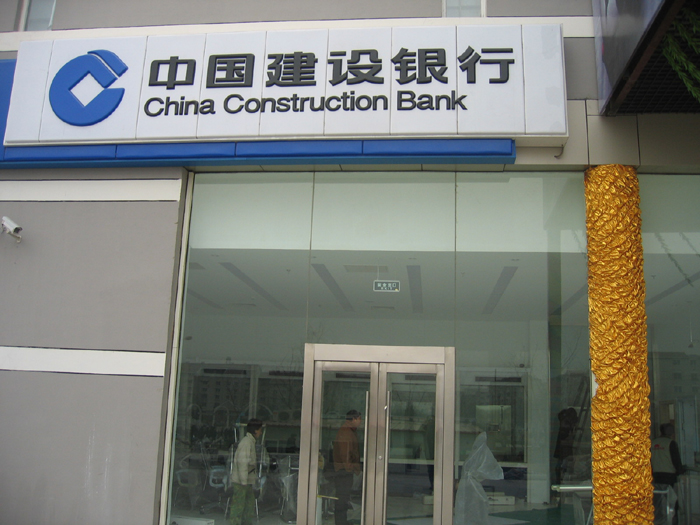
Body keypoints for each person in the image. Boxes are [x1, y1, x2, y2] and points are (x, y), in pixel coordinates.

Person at [229, 418, 264, 525]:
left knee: (249, 504)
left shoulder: (250, 442)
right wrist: (244, 481)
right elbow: (242, 463)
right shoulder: (246, 443)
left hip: (247, 481)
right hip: (242, 482)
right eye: (260, 430)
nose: (261, 432)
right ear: (255, 431)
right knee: (238, 506)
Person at [333, 410, 362, 525]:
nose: (360, 421)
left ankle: (342, 521)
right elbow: (345, 453)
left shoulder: (350, 431)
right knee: (342, 497)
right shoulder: (346, 432)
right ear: (353, 419)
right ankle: (340, 522)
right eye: (359, 419)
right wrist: (350, 468)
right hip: (343, 470)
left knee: (344, 497)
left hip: (344, 469)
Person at [651, 423, 684, 525]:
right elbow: (676, 460)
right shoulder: (670, 443)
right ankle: (672, 521)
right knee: (672, 500)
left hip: (656, 475)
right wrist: (680, 471)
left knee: (659, 501)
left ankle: (660, 520)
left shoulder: (653, 443)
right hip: (669, 476)